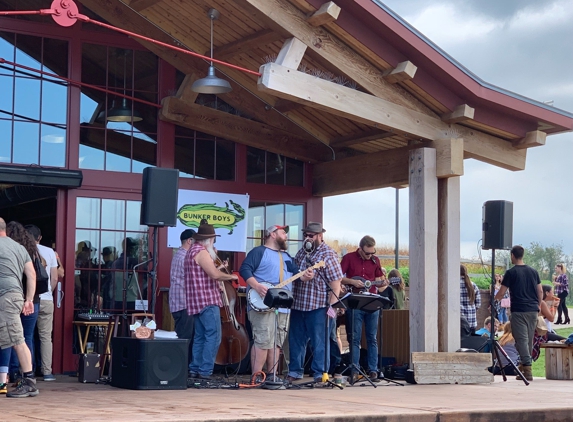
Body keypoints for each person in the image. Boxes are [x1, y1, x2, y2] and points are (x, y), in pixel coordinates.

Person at [240, 225, 314, 380]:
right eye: (283, 233)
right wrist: (257, 286)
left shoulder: (286, 256)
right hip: (262, 305)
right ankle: (256, 376)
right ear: (273, 235)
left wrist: (305, 276)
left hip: (283, 307)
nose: (286, 236)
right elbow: (245, 269)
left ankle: (272, 375)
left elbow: (297, 275)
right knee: (263, 340)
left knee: (276, 343)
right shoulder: (259, 252)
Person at [287, 222, 342, 383]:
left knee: (319, 341)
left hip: (318, 306)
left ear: (320, 236)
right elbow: (294, 271)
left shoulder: (328, 254)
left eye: (311, 235)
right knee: (296, 340)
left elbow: (335, 282)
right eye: (306, 235)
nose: (307, 238)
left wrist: (331, 308)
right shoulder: (302, 252)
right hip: (298, 304)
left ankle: (320, 373)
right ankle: (295, 371)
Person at [185, 222, 238, 379]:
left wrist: (219, 271)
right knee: (213, 336)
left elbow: (204, 274)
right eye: (213, 240)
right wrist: (231, 276)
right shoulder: (201, 252)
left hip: (195, 301)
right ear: (209, 240)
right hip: (207, 300)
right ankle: (205, 371)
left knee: (200, 336)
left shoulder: (190, 251)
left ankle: (195, 369)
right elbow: (214, 274)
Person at [0, 217, 38, 398]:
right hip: (14, 296)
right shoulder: (19, 248)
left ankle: (29, 382)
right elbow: (31, 274)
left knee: (16, 339)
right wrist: (29, 299)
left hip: (5, 298)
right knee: (12, 339)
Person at [340, 235, 385, 380]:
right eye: (367, 253)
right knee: (354, 338)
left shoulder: (375, 260)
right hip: (355, 301)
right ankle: (354, 370)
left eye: (372, 252)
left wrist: (385, 283)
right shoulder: (349, 258)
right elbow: (338, 277)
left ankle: (373, 370)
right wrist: (352, 282)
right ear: (360, 249)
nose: (370, 255)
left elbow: (381, 283)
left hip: (371, 301)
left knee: (372, 338)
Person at [495, 245, 542, 382]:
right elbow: (539, 290)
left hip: (519, 310)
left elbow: (502, 292)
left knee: (520, 339)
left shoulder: (511, 272)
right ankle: (522, 365)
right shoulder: (533, 271)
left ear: (512, 256)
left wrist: (494, 300)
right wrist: (538, 305)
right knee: (527, 339)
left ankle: (527, 369)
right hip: (533, 310)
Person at [25, 225, 58, 382]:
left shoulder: (23, 249)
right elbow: (55, 277)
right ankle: (47, 372)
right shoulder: (50, 252)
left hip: (30, 299)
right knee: (45, 337)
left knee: (27, 335)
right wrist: (48, 291)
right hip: (47, 299)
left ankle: (28, 371)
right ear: (40, 237)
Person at [169, 229, 196, 372]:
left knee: (183, 337)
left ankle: (180, 370)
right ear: (189, 241)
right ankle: (181, 370)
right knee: (185, 339)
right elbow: (193, 280)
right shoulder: (186, 257)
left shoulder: (178, 255)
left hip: (178, 303)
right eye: (195, 242)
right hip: (185, 303)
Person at [460, 264, 481, 331]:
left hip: (459, 321)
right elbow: (478, 304)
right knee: (470, 341)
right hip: (471, 321)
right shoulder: (473, 285)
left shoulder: (453, 285)